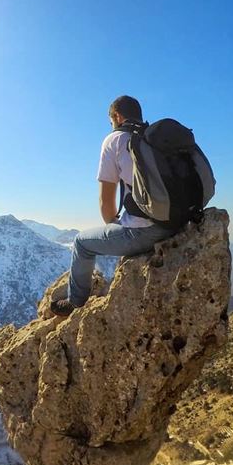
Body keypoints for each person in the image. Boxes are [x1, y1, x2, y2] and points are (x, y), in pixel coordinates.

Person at [51, 95, 176, 316]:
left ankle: (75, 301)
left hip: (146, 231)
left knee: (81, 243)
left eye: (111, 122)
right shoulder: (152, 140)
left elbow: (106, 202)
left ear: (117, 117)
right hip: (178, 222)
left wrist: (115, 225)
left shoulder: (115, 140)